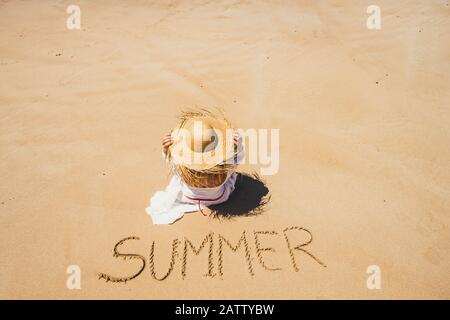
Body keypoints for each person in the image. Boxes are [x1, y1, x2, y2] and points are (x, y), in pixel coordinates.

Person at [146, 110, 243, 224]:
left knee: (177, 179)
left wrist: (166, 150)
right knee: (232, 176)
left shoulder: (182, 169)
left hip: (187, 197)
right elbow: (238, 158)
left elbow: (169, 160)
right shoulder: (224, 172)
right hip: (219, 198)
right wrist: (237, 145)